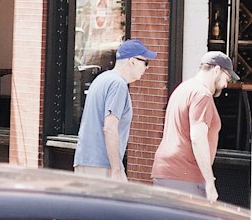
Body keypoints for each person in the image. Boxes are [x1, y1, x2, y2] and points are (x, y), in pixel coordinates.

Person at [151, 50, 239, 200]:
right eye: (227, 78)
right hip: (184, 176)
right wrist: (210, 182)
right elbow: (198, 138)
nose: (226, 84)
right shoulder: (202, 95)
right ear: (216, 70)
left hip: (167, 172)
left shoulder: (184, 88)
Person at [73, 38, 157, 178]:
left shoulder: (102, 79)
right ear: (132, 61)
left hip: (86, 161)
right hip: (103, 166)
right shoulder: (118, 85)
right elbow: (110, 128)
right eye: (146, 62)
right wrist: (116, 169)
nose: (147, 68)